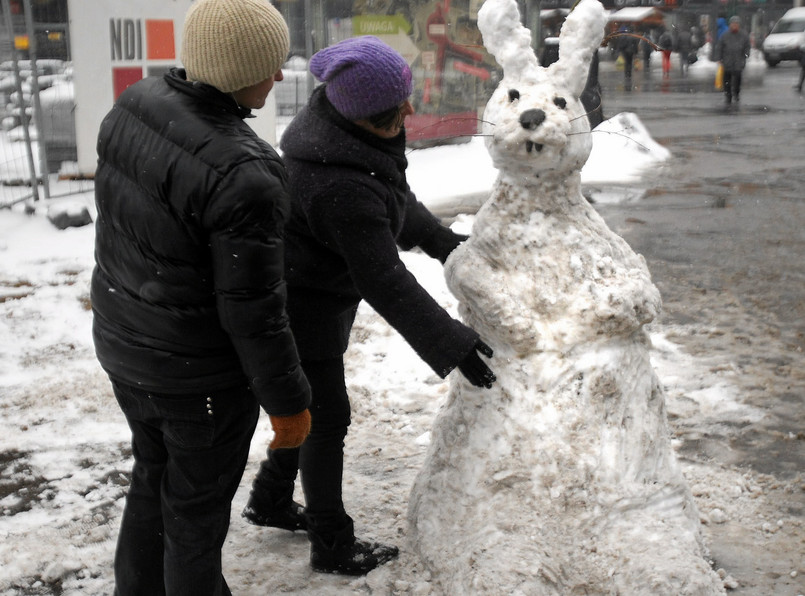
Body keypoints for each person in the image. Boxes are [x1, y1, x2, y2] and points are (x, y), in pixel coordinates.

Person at [241, 35, 497, 576]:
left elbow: (390, 197)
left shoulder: (342, 135)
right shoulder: (335, 183)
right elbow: (382, 277)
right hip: (299, 307)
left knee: (307, 407)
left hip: (314, 292)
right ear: (365, 115)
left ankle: (270, 498)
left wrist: (439, 240)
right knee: (324, 416)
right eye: (397, 104)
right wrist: (451, 342)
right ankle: (333, 546)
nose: (410, 108)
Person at [91, 0, 312, 593]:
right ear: (240, 70)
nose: (280, 76)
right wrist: (289, 403)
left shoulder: (135, 107)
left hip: (127, 349)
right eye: (270, 65)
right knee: (194, 517)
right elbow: (255, 314)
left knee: (153, 477)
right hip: (198, 382)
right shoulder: (247, 175)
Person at [714, 16, 751, 105]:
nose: (734, 26)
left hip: (739, 61)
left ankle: (736, 93)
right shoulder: (725, 35)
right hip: (727, 61)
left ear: (739, 25)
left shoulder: (744, 35)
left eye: (736, 24)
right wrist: (719, 58)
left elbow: (747, 46)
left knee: (738, 79)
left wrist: (746, 54)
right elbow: (720, 47)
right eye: (733, 24)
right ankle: (728, 95)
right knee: (727, 80)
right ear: (730, 25)